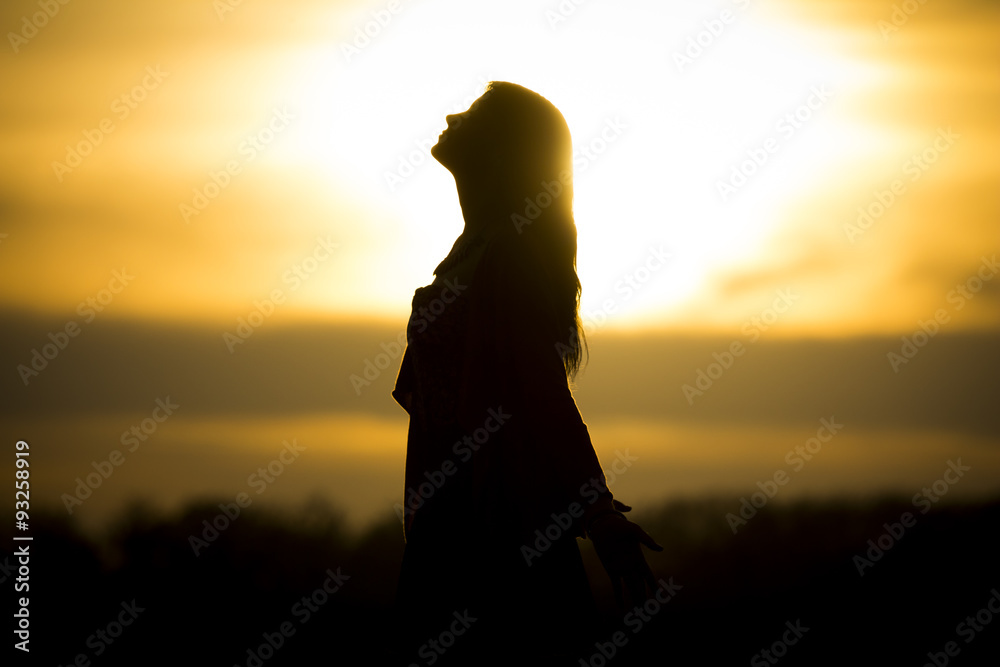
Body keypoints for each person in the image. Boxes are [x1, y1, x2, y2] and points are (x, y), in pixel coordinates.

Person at [390, 81, 661, 666]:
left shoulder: (505, 256)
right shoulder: (470, 250)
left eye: (473, 112)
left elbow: (541, 394)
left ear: (500, 146)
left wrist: (598, 511)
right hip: (446, 515)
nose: (450, 113)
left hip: (497, 522)